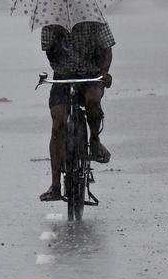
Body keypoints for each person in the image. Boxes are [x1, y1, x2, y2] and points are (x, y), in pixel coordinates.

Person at [39, 20, 114, 202]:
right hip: (63, 78)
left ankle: (94, 140)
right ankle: (55, 186)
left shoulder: (95, 18)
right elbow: (49, 53)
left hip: (91, 75)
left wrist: (104, 71)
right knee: (58, 122)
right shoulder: (50, 22)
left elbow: (107, 49)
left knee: (93, 101)